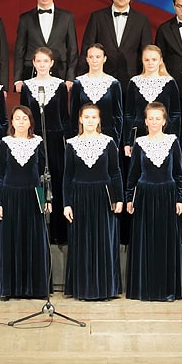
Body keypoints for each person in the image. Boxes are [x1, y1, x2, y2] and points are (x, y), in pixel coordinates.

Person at [63, 103, 125, 300]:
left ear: (99, 120)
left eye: (94, 117)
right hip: (79, 196)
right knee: (81, 242)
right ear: (80, 119)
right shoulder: (71, 144)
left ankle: (105, 289)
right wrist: (66, 203)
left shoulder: (109, 142)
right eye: (86, 117)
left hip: (104, 196)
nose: (90, 121)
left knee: (104, 242)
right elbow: (67, 176)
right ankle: (83, 289)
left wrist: (119, 199)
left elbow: (115, 172)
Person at [125, 102, 182, 301]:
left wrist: (180, 198)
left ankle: (166, 289)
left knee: (165, 242)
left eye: (157, 118)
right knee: (145, 243)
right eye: (150, 118)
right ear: (145, 121)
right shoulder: (139, 143)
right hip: (144, 196)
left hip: (167, 195)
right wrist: (129, 199)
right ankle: (144, 289)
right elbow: (133, 174)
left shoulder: (173, 141)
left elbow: (179, 174)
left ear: (164, 121)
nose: (154, 122)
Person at [0, 106, 52, 300]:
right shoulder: (4, 143)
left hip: (33, 196)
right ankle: (8, 288)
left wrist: (46, 199)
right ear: (12, 121)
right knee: (9, 242)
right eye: (17, 118)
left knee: (35, 241)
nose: (21, 122)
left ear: (30, 122)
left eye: (24, 118)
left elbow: (45, 174)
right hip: (10, 197)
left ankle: (35, 288)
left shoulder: (39, 142)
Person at [21, 46, 71, 243]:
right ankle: (38, 228)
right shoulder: (27, 86)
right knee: (36, 180)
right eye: (38, 61)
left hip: (55, 140)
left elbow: (64, 116)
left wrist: (68, 140)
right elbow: (24, 115)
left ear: (52, 63)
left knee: (55, 180)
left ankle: (56, 232)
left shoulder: (60, 86)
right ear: (33, 63)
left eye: (45, 61)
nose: (42, 65)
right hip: (34, 140)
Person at [78, 0, 153, 81]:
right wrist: (83, 76)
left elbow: (147, 51)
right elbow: (87, 47)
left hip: (132, 77)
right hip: (102, 77)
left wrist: (147, 78)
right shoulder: (97, 17)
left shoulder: (142, 20)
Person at [13, 0, 77, 84]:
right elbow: (20, 50)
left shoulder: (67, 17)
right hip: (31, 72)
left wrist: (70, 78)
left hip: (59, 71)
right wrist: (18, 79)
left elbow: (73, 49)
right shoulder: (25, 18)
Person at [124, 44, 181, 147]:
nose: (150, 63)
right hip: (139, 134)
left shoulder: (170, 82)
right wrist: (127, 142)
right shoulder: (134, 82)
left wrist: (174, 138)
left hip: (165, 134)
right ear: (142, 61)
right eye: (147, 60)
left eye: (154, 60)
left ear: (160, 61)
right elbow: (129, 114)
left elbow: (175, 114)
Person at [71, 43, 125, 146]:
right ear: (87, 59)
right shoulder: (78, 83)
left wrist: (116, 142)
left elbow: (118, 116)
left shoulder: (113, 84)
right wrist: (74, 138)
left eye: (98, 57)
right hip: (83, 137)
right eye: (91, 57)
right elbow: (74, 115)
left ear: (104, 59)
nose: (94, 60)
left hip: (108, 137)